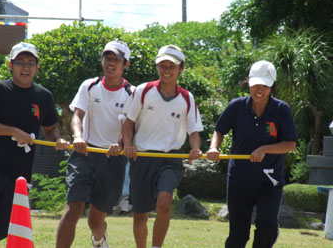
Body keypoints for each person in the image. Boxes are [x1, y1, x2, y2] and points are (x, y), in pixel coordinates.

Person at [0, 42, 68, 247]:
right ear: (11, 65)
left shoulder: (43, 96)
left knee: (2, 228)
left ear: (37, 67)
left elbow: (51, 128)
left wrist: (58, 140)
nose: (25, 67)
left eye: (30, 62)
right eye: (20, 62)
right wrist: (13, 131)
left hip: (20, 176)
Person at [206, 60, 297, 248]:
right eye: (255, 84)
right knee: (238, 234)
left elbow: (290, 144)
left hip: (270, 180)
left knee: (267, 224)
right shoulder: (236, 106)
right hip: (240, 178)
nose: (259, 90)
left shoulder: (281, 110)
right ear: (248, 82)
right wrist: (214, 147)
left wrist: (265, 149)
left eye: (264, 86)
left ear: (272, 86)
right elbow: (219, 130)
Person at [122, 44, 203, 248]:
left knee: (164, 202)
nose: (166, 70)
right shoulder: (143, 90)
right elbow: (128, 122)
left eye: (172, 66)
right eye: (162, 65)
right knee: (140, 214)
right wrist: (128, 144)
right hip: (142, 157)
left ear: (181, 69)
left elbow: (194, 131)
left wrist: (195, 148)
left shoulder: (187, 97)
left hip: (171, 158)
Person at [56, 39, 135, 248]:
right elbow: (77, 115)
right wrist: (78, 137)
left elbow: (129, 126)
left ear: (125, 64)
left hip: (113, 159)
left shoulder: (132, 93)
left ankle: (99, 239)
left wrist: (119, 144)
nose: (110, 63)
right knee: (74, 206)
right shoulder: (89, 86)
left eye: (116, 60)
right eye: (107, 58)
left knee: (95, 220)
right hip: (85, 152)